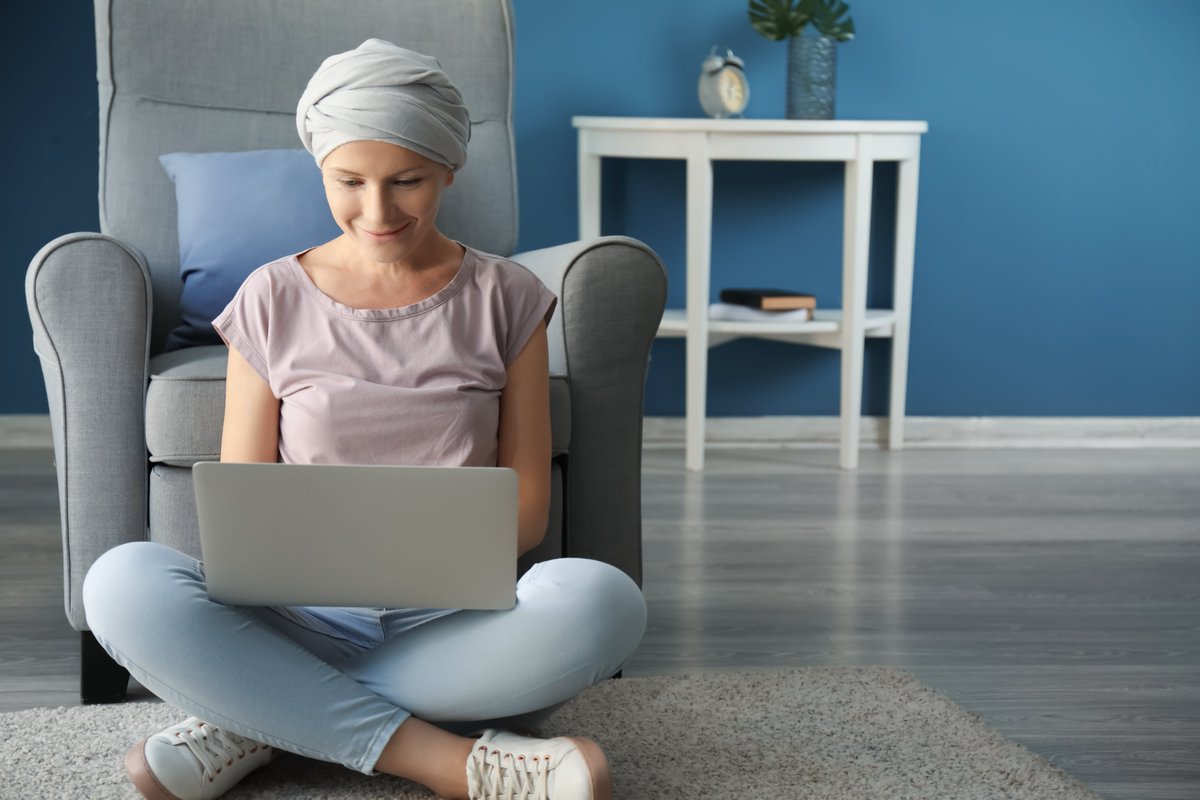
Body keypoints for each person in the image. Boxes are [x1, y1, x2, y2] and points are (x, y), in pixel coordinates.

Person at [82, 39, 647, 800]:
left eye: (407, 181)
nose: (376, 211)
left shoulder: (508, 298)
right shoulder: (270, 297)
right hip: (294, 618)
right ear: (320, 169)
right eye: (348, 181)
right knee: (120, 581)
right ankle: (453, 763)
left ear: (449, 167)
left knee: (604, 600)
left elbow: (525, 516)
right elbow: (247, 505)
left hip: (454, 626)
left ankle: (257, 712)